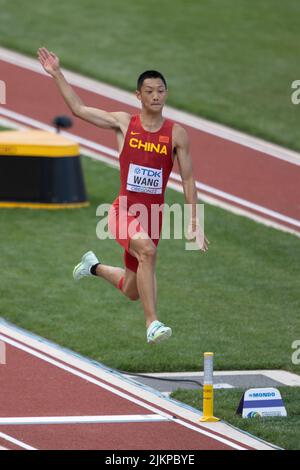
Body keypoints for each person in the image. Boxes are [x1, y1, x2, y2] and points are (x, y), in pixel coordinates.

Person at [37, 47, 209, 344]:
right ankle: (152, 323)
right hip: (123, 212)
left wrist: (195, 221)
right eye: (149, 91)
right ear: (138, 96)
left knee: (132, 289)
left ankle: (92, 266)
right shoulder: (124, 123)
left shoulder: (177, 134)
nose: (156, 96)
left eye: (161, 91)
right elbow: (80, 109)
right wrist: (57, 74)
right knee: (148, 252)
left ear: (166, 95)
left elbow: (189, 178)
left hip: (152, 219)